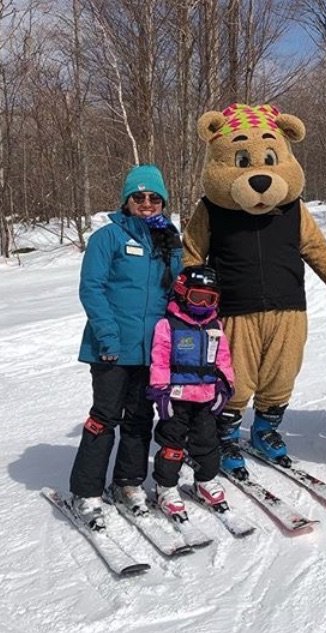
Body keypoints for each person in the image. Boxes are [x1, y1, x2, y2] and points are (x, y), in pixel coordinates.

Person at [69, 164, 182, 530]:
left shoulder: (169, 240)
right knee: (104, 418)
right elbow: (92, 289)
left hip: (153, 350)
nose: (147, 203)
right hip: (111, 348)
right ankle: (86, 491)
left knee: (139, 418)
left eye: (154, 197)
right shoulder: (109, 238)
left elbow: (176, 291)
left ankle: (129, 482)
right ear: (127, 200)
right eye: (139, 197)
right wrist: (108, 336)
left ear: (162, 201)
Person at [146, 265, 236, 518]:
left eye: (211, 299)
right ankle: (165, 487)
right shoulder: (168, 325)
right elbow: (160, 360)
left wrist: (225, 387)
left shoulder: (215, 325)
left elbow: (224, 359)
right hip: (176, 397)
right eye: (198, 297)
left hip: (206, 397)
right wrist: (160, 392)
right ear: (183, 292)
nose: (204, 305)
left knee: (207, 443)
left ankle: (205, 481)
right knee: (171, 445)